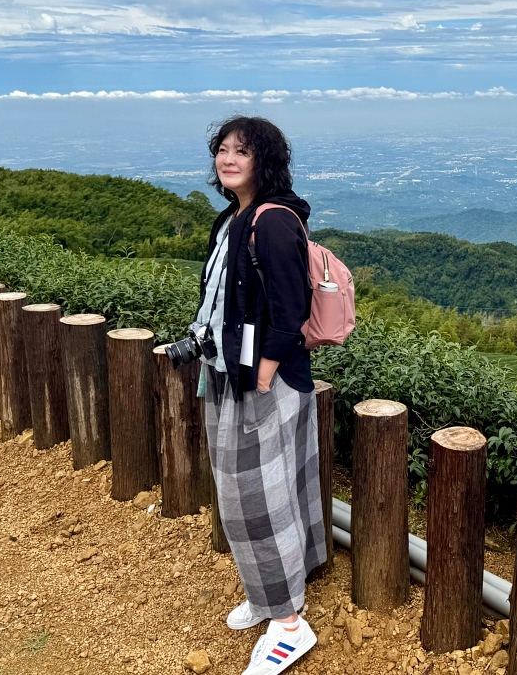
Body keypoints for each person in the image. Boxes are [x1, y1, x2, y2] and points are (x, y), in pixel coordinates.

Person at [193, 115, 327, 675]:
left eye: (241, 151)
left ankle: (289, 623)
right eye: (222, 149)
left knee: (255, 499)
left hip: (262, 380)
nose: (228, 159)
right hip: (235, 373)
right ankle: (274, 591)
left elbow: (291, 308)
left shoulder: (272, 223)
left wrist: (266, 373)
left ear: (263, 160)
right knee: (266, 492)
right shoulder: (234, 217)